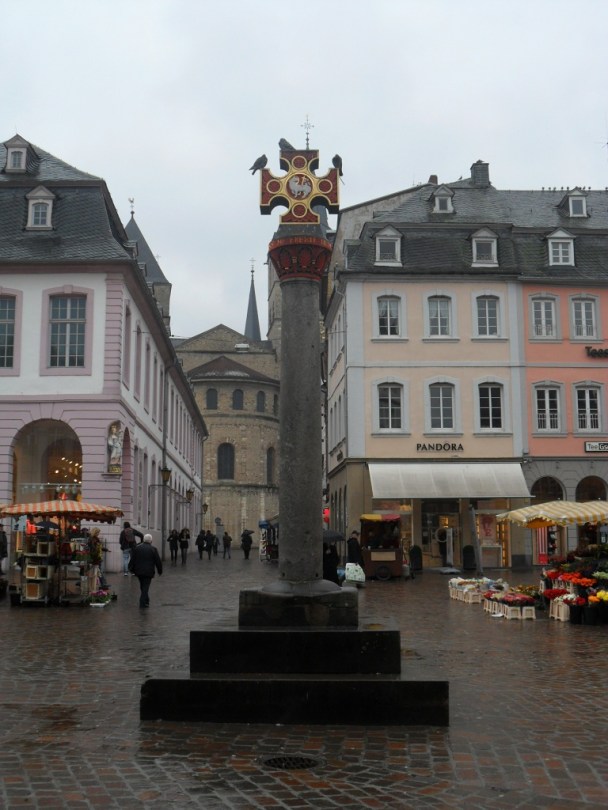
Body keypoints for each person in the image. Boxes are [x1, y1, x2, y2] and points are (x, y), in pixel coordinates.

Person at [129, 534, 162, 609]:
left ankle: (146, 601)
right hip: (148, 572)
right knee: (145, 587)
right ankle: (142, 603)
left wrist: (131, 569)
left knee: (142, 586)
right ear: (151, 541)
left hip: (139, 571)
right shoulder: (153, 549)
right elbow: (158, 561)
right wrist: (159, 570)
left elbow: (133, 559)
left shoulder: (137, 548)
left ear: (143, 540)